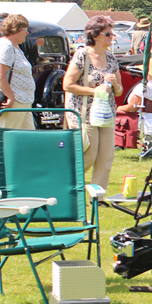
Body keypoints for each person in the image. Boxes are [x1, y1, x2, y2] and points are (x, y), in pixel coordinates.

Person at [63, 15, 123, 191]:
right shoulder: (82, 55)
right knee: (89, 154)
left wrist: (114, 83)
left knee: (106, 157)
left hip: (106, 114)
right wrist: (94, 91)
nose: (112, 37)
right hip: (85, 113)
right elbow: (68, 85)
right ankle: (69, 188)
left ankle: (98, 196)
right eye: (108, 34)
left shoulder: (111, 58)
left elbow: (119, 92)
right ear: (95, 35)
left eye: (112, 34)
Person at [0, 14, 37, 130]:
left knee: (29, 139)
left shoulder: (13, 46)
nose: (27, 33)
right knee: (10, 139)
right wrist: (10, 96)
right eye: (24, 29)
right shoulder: (5, 46)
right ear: (15, 30)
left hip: (22, 101)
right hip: (13, 101)